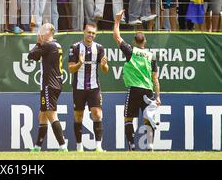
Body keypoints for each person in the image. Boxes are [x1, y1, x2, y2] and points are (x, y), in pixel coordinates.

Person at [113, 9, 161, 151]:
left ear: (134, 41)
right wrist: (157, 96)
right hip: (148, 90)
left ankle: (132, 147)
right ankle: (150, 146)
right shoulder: (151, 56)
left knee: (128, 118)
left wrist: (117, 22)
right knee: (148, 118)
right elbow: (155, 78)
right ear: (144, 41)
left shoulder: (131, 51)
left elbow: (117, 37)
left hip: (134, 89)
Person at [68, 23, 108, 152]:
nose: (91, 35)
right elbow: (70, 69)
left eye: (93, 33)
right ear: (84, 32)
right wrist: (80, 63)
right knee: (79, 116)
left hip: (94, 87)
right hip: (79, 87)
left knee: (97, 114)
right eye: (89, 32)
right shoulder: (74, 47)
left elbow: (105, 70)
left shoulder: (100, 48)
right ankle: (79, 146)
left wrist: (104, 65)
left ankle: (98, 146)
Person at [28, 23, 68, 152]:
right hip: (54, 83)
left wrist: (38, 43)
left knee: (51, 114)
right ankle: (37, 147)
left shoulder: (49, 45)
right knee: (42, 115)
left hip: (49, 85)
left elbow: (32, 56)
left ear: (50, 32)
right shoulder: (56, 45)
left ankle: (63, 146)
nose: (40, 34)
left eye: (42, 31)